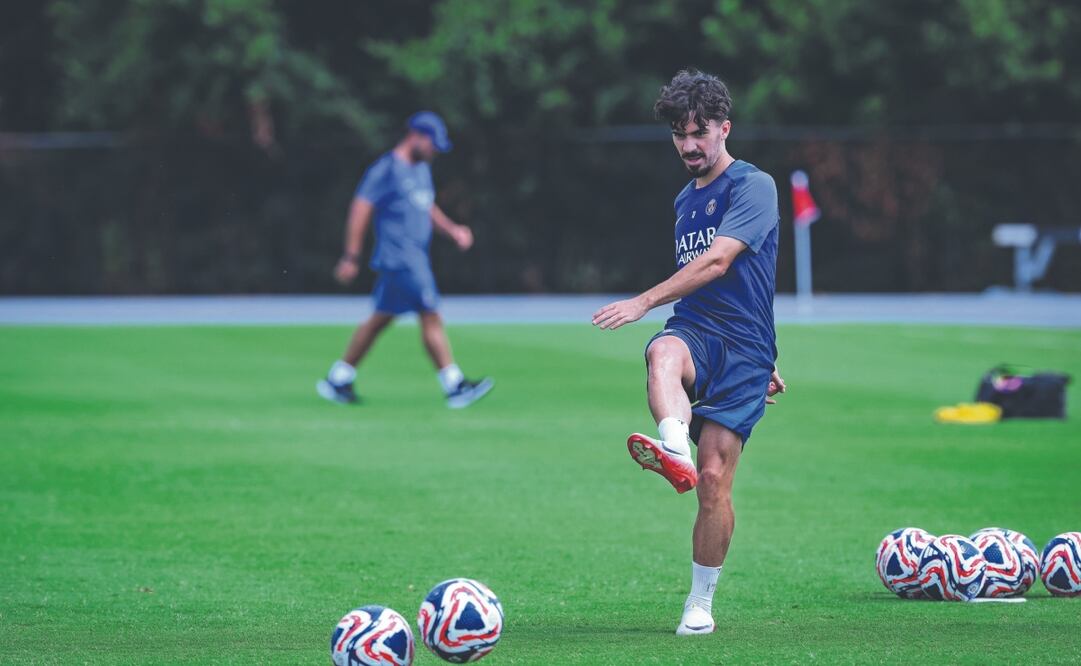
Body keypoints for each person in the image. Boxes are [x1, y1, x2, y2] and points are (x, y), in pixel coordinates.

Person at [592, 70, 786, 635]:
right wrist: (659, 312)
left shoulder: (754, 186)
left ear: (725, 128)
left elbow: (722, 264)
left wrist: (643, 300)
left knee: (715, 481)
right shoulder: (684, 199)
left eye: (699, 131)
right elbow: (710, 286)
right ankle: (672, 443)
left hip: (746, 349)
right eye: (679, 133)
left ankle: (700, 602)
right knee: (664, 355)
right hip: (697, 330)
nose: (688, 145)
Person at [317, 111, 493, 409]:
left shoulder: (420, 168)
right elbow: (361, 208)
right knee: (430, 313)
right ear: (414, 136)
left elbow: (426, 207)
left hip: (414, 255)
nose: (435, 150)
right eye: (432, 143)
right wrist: (351, 255)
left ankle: (338, 378)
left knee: (379, 320)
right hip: (400, 257)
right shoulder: (386, 169)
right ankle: (454, 385)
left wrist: (452, 230)